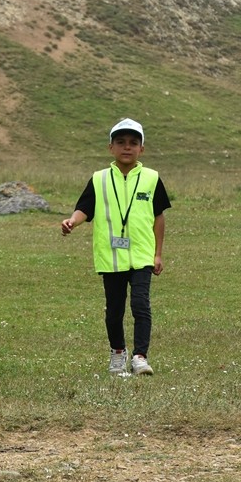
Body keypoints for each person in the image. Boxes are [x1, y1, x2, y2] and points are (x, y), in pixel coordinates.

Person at [61, 118, 170, 376]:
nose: (127, 147)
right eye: (120, 142)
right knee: (114, 310)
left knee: (140, 305)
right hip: (110, 256)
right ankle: (118, 353)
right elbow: (84, 209)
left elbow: (158, 217)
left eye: (133, 143)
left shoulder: (152, 178)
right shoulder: (99, 179)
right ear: (111, 147)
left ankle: (140, 357)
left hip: (142, 255)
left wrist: (157, 254)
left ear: (142, 148)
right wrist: (72, 221)